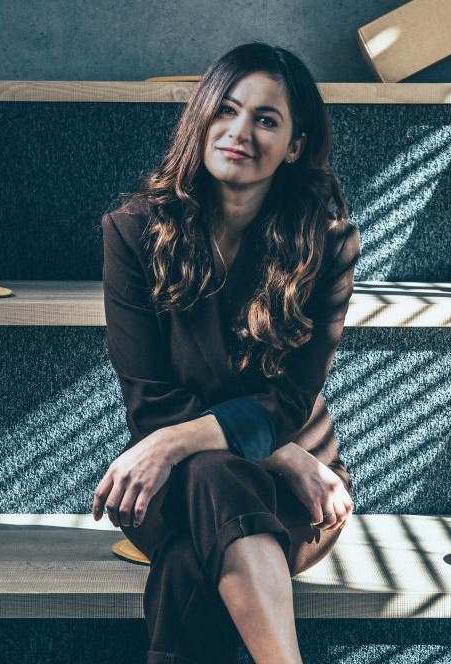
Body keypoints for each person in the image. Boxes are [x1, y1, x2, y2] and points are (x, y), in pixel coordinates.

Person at [93, 42, 360, 664]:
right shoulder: (133, 234)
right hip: (177, 484)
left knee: (191, 561)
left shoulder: (328, 246)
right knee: (212, 474)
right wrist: (277, 454)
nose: (240, 132)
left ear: (294, 144)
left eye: (266, 120)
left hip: (301, 493)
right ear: (203, 118)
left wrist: (175, 443)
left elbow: (290, 398)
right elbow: (153, 403)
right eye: (227, 110)